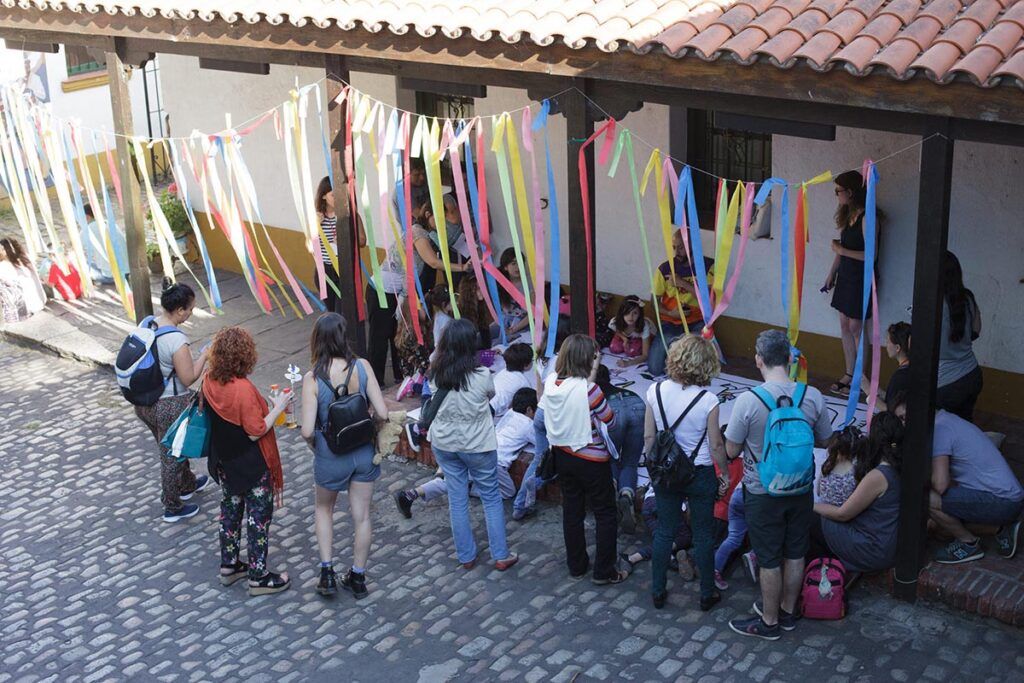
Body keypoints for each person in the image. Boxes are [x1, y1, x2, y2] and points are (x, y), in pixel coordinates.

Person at [724, 329, 835, 640]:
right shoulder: (811, 396)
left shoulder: (748, 401)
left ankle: (769, 622)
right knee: (796, 551)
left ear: (759, 360)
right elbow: (825, 439)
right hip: (800, 487)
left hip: (762, 490)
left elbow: (731, 450)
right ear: (790, 359)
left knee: (769, 558)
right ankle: (787, 612)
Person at [301, 313, 389, 598]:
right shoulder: (362, 366)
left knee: (323, 509)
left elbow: (305, 430)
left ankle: (327, 573)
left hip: (331, 454)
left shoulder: (313, 379)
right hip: (363, 452)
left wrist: (317, 448)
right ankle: (359, 577)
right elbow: (384, 413)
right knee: (362, 517)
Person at [202, 327, 291, 596]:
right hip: (251, 465)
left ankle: (229, 566)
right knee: (258, 518)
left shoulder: (208, 380)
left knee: (230, 512)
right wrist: (279, 406)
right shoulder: (242, 389)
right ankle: (258, 575)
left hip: (225, 462)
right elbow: (255, 431)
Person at [644, 334, 730, 611]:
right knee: (703, 534)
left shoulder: (654, 392)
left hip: (666, 472)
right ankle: (707, 593)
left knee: (665, 531)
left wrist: (654, 466)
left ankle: (658, 591)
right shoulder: (708, 400)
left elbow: (649, 438)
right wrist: (725, 474)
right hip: (700, 471)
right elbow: (716, 445)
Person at [427, 319, 518, 571]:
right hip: (477, 444)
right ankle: (500, 554)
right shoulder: (481, 375)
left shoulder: (435, 373)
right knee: (490, 497)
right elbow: (489, 397)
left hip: (445, 443)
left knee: (457, 499)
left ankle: (465, 556)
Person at [891, 394, 1023, 564]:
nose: (904, 424)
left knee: (924, 497)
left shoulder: (939, 430)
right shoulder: (945, 420)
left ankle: (969, 544)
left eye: (905, 417)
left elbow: (940, 484)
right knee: (938, 528)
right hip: (1005, 497)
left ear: (919, 410)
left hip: (1003, 501)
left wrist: (910, 477)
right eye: (900, 420)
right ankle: (1000, 529)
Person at [540, 334, 626, 584]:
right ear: (587, 359)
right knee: (605, 513)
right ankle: (604, 570)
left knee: (572, 510)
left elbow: (575, 390)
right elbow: (610, 419)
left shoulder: (551, 381)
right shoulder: (591, 391)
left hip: (563, 455)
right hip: (592, 459)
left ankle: (576, 564)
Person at [132, 282, 209, 523]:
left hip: (143, 403)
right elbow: (188, 377)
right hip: (168, 405)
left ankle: (187, 483)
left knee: (176, 443)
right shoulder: (176, 340)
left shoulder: (148, 324)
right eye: (190, 309)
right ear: (179, 311)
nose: (190, 314)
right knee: (171, 455)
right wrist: (206, 354)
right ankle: (172, 506)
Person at [395, 387, 537, 518]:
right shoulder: (528, 425)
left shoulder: (510, 413)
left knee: (456, 480)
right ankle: (465, 487)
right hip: (494, 462)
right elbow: (541, 442)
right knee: (508, 491)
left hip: (476, 448)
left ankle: (412, 494)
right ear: (530, 410)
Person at [811, 412, 902, 575]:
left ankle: (818, 573)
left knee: (808, 517)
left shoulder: (879, 475)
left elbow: (842, 514)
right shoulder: (898, 464)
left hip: (872, 548)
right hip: (886, 542)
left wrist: (809, 505)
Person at [823, 170, 877, 398]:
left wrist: (841, 250)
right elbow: (841, 248)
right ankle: (848, 372)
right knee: (844, 325)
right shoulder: (848, 216)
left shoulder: (867, 218)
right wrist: (831, 273)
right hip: (845, 275)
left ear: (851, 192)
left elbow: (870, 256)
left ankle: (860, 378)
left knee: (857, 327)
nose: (837, 195)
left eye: (839, 191)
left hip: (861, 278)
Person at [648, 230, 713, 376]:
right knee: (655, 369)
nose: (677, 252)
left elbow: (707, 297)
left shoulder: (707, 266)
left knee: (694, 370)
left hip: (697, 322)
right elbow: (654, 302)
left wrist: (681, 283)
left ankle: (677, 350)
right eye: (674, 247)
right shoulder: (664, 268)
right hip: (670, 322)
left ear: (693, 246)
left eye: (681, 247)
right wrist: (671, 313)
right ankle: (674, 348)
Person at [594, 364, 646, 533]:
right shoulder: (622, 390)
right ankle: (627, 495)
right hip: (636, 403)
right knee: (630, 461)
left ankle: (611, 496)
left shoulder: (592, 394)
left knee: (610, 457)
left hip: (611, 409)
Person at [935, 251, 983, 421]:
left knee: (940, 431)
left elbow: (917, 345)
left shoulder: (930, 301)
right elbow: (975, 330)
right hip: (971, 373)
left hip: (944, 383)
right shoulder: (967, 298)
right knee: (964, 426)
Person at [0, 237, 46, 317]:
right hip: (41, 300)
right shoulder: (26, 257)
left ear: (7, 250)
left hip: (28, 306)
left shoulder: (5, 265)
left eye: (2, 249)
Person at [314, 176, 340, 314]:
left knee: (343, 308)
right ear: (324, 196)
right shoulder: (317, 217)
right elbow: (309, 246)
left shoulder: (343, 215)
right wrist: (316, 225)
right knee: (332, 311)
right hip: (324, 270)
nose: (337, 197)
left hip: (342, 269)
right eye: (333, 195)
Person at [817, 426, 861, 507]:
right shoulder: (857, 472)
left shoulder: (828, 466)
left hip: (822, 512)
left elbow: (818, 492)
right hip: (846, 515)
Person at [491, 343, 537, 418]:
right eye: (532, 360)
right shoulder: (523, 382)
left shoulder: (503, 371)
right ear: (526, 365)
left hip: (486, 402)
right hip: (496, 411)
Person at [607, 295, 653, 368]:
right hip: (624, 336)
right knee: (614, 348)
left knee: (632, 352)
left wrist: (628, 363)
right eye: (627, 312)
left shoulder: (644, 326)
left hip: (640, 338)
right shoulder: (615, 321)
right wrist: (624, 339)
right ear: (622, 313)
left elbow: (645, 355)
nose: (630, 317)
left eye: (635, 313)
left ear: (639, 314)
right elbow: (616, 330)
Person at [80, 203, 114, 285]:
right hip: (126, 270)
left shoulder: (85, 231)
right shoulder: (108, 223)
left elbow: (79, 251)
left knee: (79, 261)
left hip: (110, 277)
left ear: (87, 217)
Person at [457, 271, 492, 350]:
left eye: (483, 288)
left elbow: (486, 335)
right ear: (469, 293)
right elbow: (466, 348)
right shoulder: (462, 314)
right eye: (478, 289)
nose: (482, 291)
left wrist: (489, 352)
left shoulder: (480, 305)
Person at [882, 321, 911, 410]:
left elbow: (892, 411)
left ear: (897, 348)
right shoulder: (915, 367)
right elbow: (892, 398)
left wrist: (870, 396)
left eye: (887, 342)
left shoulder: (900, 377)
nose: (886, 345)